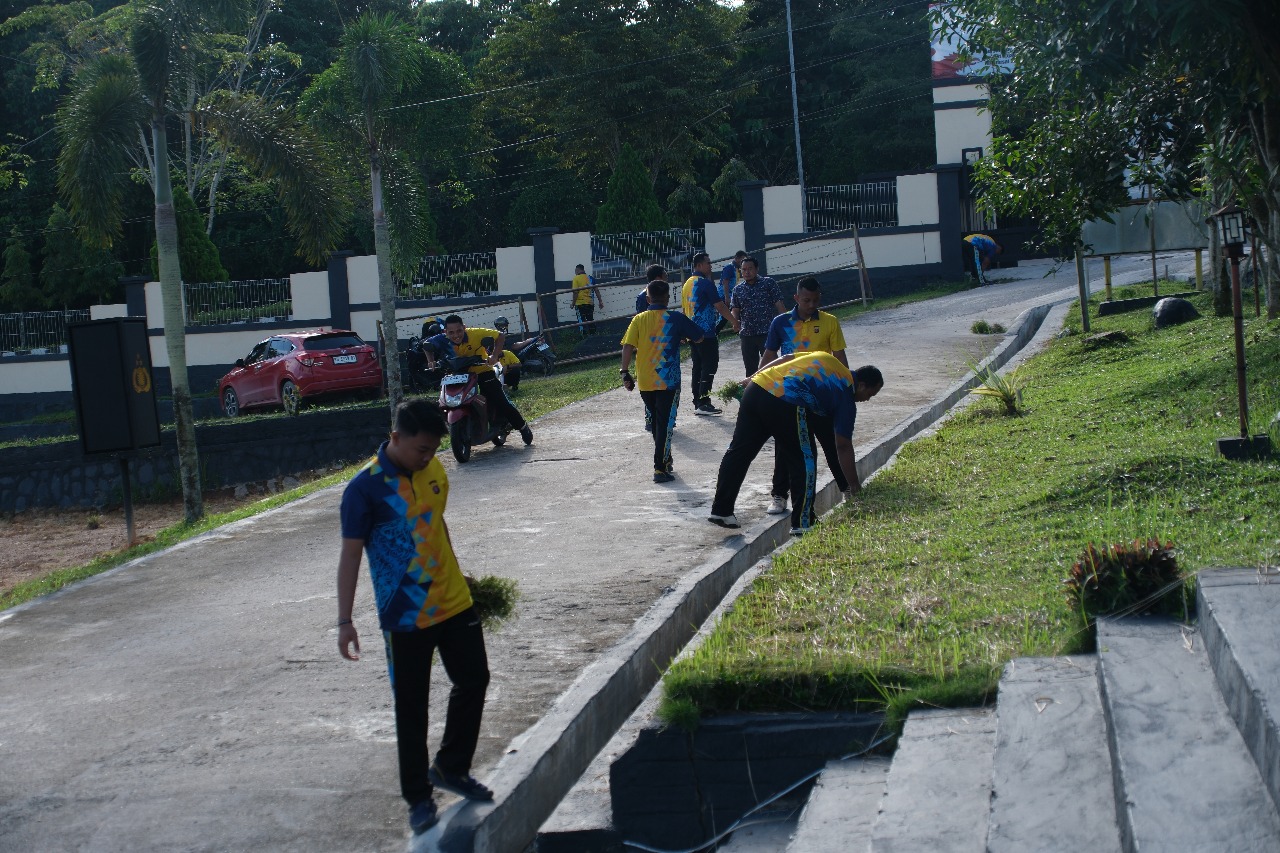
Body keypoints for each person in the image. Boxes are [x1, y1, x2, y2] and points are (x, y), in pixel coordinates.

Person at [335, 400, 493, 836]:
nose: (428, 457)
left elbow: (438, 527)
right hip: (404, 614)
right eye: (421, 449)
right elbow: (350, 556)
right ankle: (418, 798)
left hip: (454, 599)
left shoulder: (436, 472)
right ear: (396, 437)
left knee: (474, 679)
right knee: (411, 707)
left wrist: (460, 574)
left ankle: (451, 767)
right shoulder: (363, 490)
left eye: (432, 450)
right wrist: (345, 620)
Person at [708, 353, 883, 535]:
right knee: (804, 458)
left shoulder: (827, 359)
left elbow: (786, 358)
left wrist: (752, 377)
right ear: (862, 385)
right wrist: (854, 486)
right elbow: (843, 446)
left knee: (739, 452)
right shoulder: (845, 393)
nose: (867, 399)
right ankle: (803, 522)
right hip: (785, 399)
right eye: (870, 394)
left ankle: (721, 510)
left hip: (757, 387)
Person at [759, 276, 849, 516]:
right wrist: (756, 381)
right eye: (807, 300)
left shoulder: (830, 322)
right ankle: (779, 496)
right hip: (788, 395)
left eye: (816, 300)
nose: (811, 304)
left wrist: (845, 388)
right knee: (785, 447)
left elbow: (839, 358)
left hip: (821, 396)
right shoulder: (780, 323)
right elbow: (769, 356)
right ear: (796, 298)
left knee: (831, 444)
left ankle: (847, 489)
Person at [620, 276, 705, 483]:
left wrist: (624, 372)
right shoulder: (675, 318)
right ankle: (659, 468)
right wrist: (680, 337)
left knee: (658, 423)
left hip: (646, 381)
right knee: (665, 424)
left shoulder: (638, 320)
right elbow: (700, 337)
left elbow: (628, 347)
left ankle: (665, 459)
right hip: (668, 381)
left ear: (648, 300)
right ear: (667, 298)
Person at [425, 315, 534, 445]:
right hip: (457, 376)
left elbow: (500, 336)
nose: (456, 335)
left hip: (483, 371)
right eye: (451, 332)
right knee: (445, 402)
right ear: (445, 332)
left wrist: (494, 356)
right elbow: (426, 346)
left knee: (500, 400)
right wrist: (430, 361)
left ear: (464, 328)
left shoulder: (475, 334)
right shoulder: (441, 339)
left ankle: (522, 427)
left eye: (459, 331)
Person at [681, 251, 739, 415]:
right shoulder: (705, 284)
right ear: (699, 265)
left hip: (693, 332)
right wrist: (734, 321)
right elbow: (720, 306)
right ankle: (704, 402)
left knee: (697, 367)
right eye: (708, 263)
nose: (710, 266)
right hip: (706, 333)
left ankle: (697, 401)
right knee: (709, 366)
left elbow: (685, 309)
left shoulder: (687, 284)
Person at [730, 256, 785, 375]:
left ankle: (774, 392)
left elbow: (779, 304)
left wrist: (785, 323)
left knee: (772, 368)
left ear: (757, 269)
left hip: (767, 333)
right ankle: (753, 393)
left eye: (750, 269)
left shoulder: (768, 283)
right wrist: (735, 321)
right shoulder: (737, 290)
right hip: (747, 334)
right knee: (751, 370)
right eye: (743, 269)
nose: (747, 272)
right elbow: (735, 309)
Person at [717, 251, 746, 332]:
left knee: (733, 313)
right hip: (724, 294)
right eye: (742, 259)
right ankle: (715, 331)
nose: (743, 262)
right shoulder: (729, 267)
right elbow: (725, 282)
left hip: (730, 294)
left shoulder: (736, 269)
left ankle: (740, 328)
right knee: (724, 317)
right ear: (737, 258)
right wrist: (726, 297)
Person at [571, 264, 604, 335]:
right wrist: (600, 301)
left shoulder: (576, 278)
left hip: (580, 304)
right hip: (590, 303)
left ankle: (584, 337)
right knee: (590, 319)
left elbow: (575, 293)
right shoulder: (590, 278)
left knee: (581, 321)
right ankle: (593, 335)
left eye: (575, 271)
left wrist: (573, 304)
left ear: (577, 270)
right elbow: (596, 290)